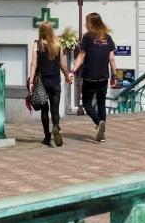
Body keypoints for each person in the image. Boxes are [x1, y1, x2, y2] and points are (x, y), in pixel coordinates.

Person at [70, 12, 116, 142]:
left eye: (87, 22)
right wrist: (114, 76)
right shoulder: (108, 37)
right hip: (103, 76)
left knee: (86, 104)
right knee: (101, 103)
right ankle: (102, 133)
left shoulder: (87, 37)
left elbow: (81, 56)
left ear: (91, 23)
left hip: (90, 76)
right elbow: (111, 58)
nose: (85, 24)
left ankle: (98, 122)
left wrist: (72, 71)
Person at [27, 21, 72, 147]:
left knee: (44, 110)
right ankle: (56, 126)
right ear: (51, 31)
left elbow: (33, 64)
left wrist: (31, 81)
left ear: (41, 31)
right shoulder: (57, 45)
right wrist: (67, 77)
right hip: (55, 81)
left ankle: (47, 137)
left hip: (42, 82)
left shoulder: (37, 45)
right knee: (55, 109)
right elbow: (62, 64)